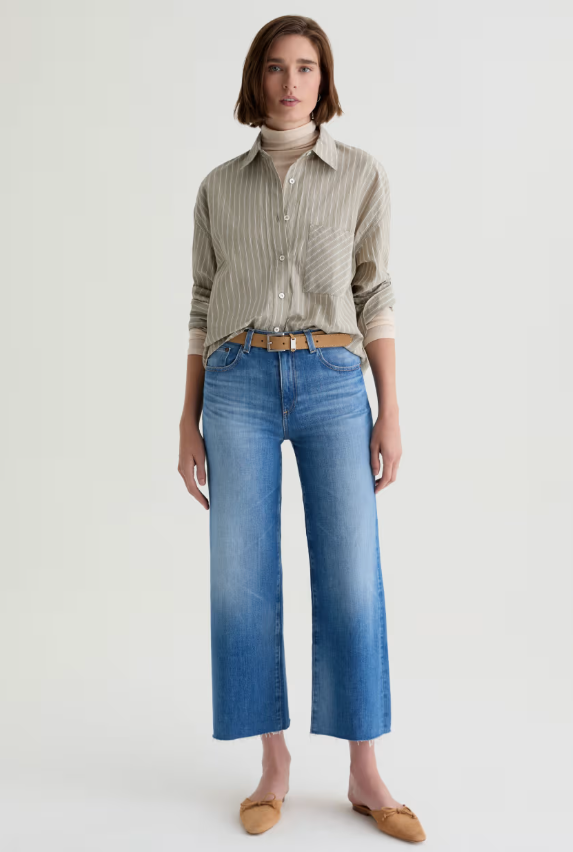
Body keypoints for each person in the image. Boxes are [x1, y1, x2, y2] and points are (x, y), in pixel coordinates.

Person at [178, 15, 426, 843]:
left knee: (351, 576)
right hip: (236, 384)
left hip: (331, 384)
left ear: (325, 80)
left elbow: (373, 293)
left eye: (307, 68)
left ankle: (364, 772)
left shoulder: (360, 175)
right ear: (256, 78)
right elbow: (201, 302)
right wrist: (186, 416)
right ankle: (273, 765)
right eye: (277, 67)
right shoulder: (219, 187)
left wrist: (390, 409)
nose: (291, 83)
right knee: (239, 579)